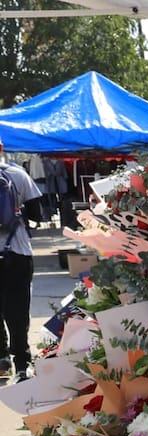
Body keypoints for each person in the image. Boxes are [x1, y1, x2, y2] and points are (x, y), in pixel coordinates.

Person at [0, 136, 43, 382]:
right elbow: (38, 214)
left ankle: (1, 359)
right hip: (16, 252)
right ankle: (22, 363)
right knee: (17, 310)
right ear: (1, 149)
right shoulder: (18, 175)